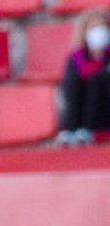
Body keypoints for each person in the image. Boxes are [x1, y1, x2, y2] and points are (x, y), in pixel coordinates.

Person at [57, 7, 110, 147]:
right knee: (74, 82)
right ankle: (72, 130)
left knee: (95, 80)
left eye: (103, 27)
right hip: (78, 116)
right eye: (94, 28)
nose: (99, 32)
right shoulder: (75, 59)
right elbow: (69, 90)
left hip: (103, 113)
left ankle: (88, 129)